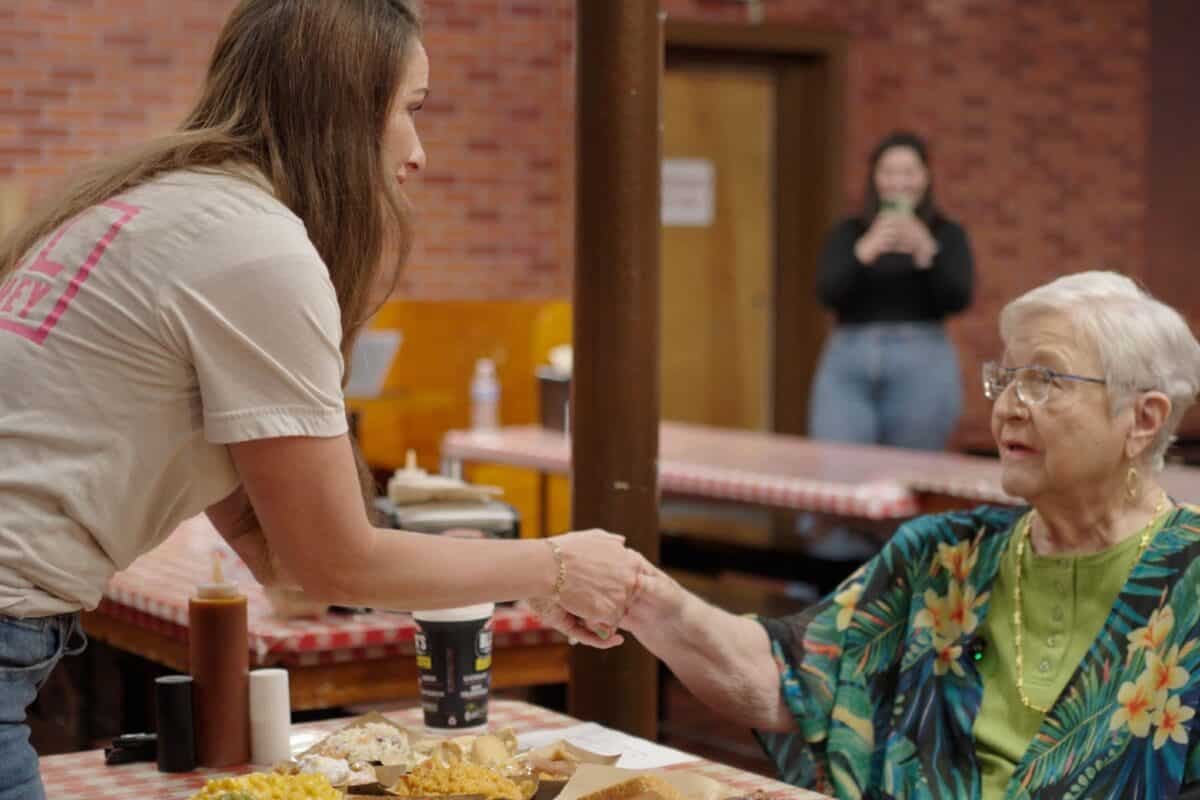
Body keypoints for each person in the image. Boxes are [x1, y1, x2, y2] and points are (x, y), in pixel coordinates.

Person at [0, 2, 634, 794]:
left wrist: (299, 564)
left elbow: (256, 507)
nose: (419, 153)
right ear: (343, 110)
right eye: (411, 110)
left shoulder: (161, 205)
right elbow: (337, 560)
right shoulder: (254, 246)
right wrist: (555, 565)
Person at [623, 272, 1200, 798]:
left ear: (1144, 419)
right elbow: (794, 676)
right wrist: (643, 598)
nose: (1007, 408)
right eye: (1005, 379)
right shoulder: (944, 555)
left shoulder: (1190, 578)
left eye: (1044, 380)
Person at [810, 130, 974, 451]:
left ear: (925, 177)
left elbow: (959, 298)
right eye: (889, 172)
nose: (899, 182)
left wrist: (928, 253)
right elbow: (826, 294)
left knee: (913, 470)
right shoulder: (849, 232)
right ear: (875, 178)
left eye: (909, 172)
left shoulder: (947, 233)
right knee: (837, 463)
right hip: (850, 353)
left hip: (922, 355)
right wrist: (862, 253)